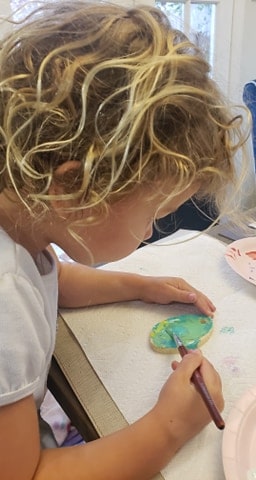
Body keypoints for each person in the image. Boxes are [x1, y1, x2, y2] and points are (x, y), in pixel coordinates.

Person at [0, 2, 248, 479]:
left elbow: (50, 281)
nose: (153, 231)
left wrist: (136, 285)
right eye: (153, 215)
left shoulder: (23, 218)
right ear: (75, 191)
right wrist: (169, 427)